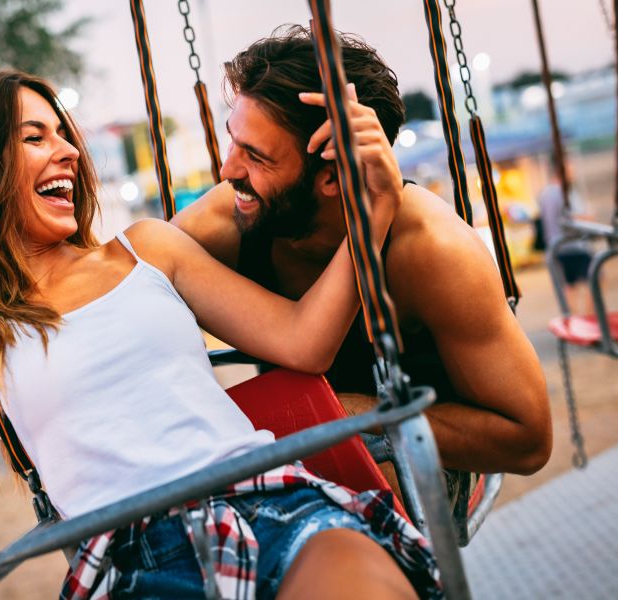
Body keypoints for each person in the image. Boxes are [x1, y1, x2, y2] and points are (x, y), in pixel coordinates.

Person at [0, 71, 440, 598]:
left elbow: (303, 341)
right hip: (135, 562)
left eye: (64, 133)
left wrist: (374, 211)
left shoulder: (147, 250)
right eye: (34, 138)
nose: (68, 152)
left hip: (272, 504)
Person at [172, 26, 552, 481]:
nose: (227, 169)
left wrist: (350, 414)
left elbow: (528, 440)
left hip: (418, 464)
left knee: (367, 471)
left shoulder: (432, 249)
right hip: (297, 453)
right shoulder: (231, 218)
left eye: (256, 157)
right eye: (233, 140)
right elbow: (127, 286)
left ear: (333, 177)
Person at [537, 159, 594, 316]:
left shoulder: (545, 193)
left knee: (570, 286)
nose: (572, 173)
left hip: (555, 244)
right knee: (596, 279)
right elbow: (570, 219)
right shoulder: (564, 193)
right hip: (572, 245)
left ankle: (575, 318)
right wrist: (588, 216)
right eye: (570, 169)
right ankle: (587, 317)